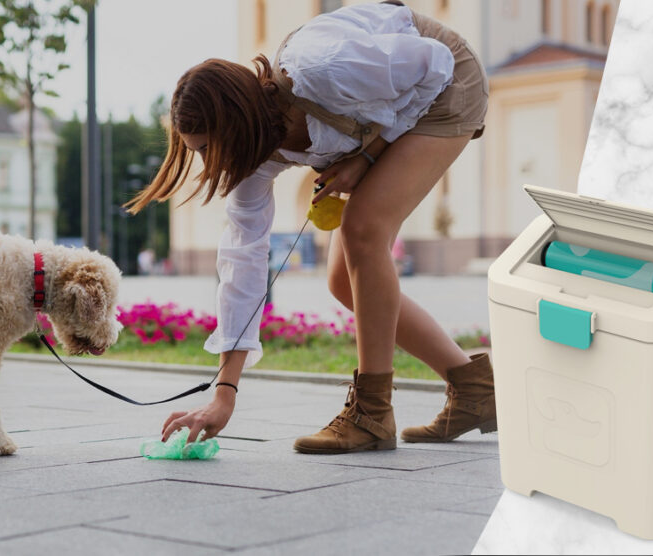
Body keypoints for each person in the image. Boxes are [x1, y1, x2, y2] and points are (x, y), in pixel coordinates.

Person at [126, 1, 496, 454]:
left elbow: (433, 65)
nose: (210, 162)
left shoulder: (322, 68)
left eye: (207, 147)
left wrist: (368, 155)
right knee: (344, 282)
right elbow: (242, 263)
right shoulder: (254, 157)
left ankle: (372, 413)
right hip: (401, 98)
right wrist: (224, 395)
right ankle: (475, 388)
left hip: (445, 77)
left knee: (363, 228)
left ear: (235, 123)